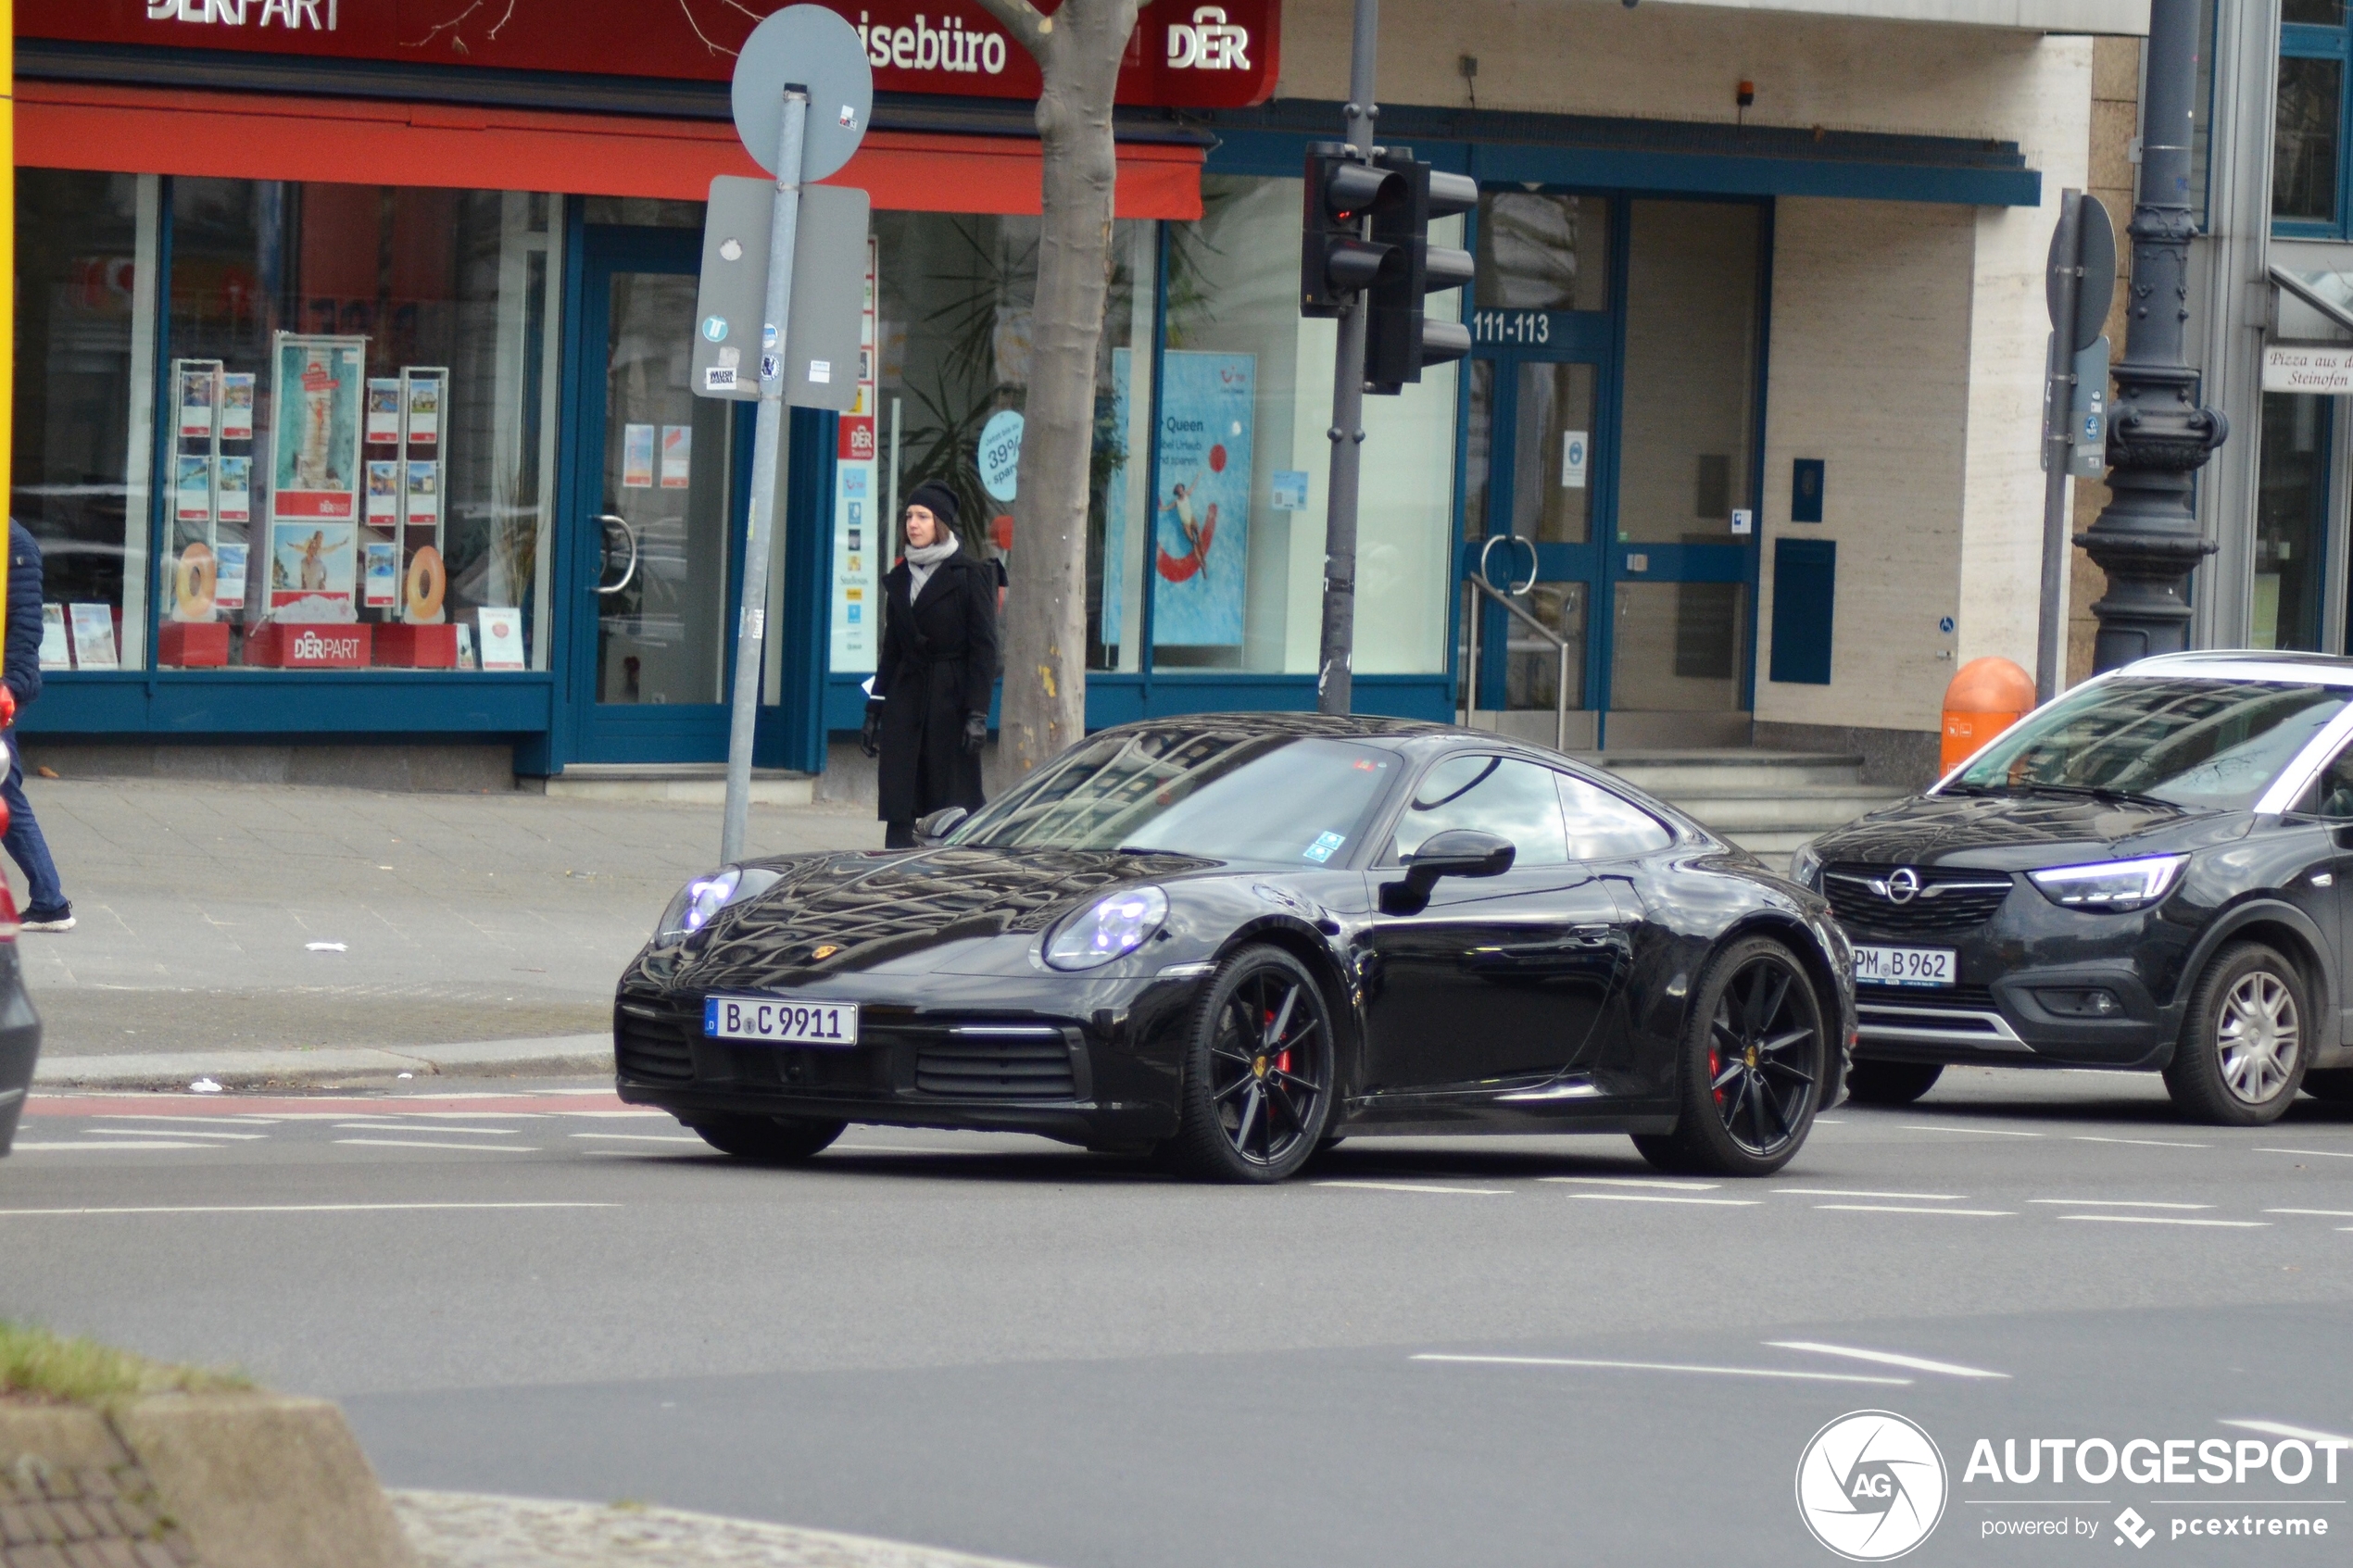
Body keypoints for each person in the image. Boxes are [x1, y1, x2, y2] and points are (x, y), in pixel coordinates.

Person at [862, 483, 1000, 848]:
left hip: (950, 701)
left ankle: (950, 873)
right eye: (909, 516)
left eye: (922, 517)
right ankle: (893, 870)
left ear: (941, 524)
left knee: (952, 803)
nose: (913, 524)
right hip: (906, 697)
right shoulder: (901, 578)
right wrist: (875, 709)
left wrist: (977, 714)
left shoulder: (970, 575)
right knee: (899, 796)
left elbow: (984, 651)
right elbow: (891, 650)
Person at [4, 521, 71, 932]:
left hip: (4, 690)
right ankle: (49, 900)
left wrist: (7, 687)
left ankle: (50, 900)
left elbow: (26, 626)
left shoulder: (15, 543)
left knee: (3, 791)